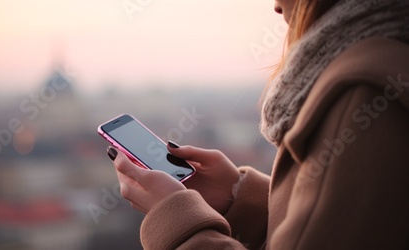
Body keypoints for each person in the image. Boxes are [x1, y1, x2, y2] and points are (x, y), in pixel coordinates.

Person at [106, 0, 409, 249]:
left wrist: (175, 220)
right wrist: (236, 199)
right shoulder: (383, 65)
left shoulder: (363, 92)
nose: (277, 5)